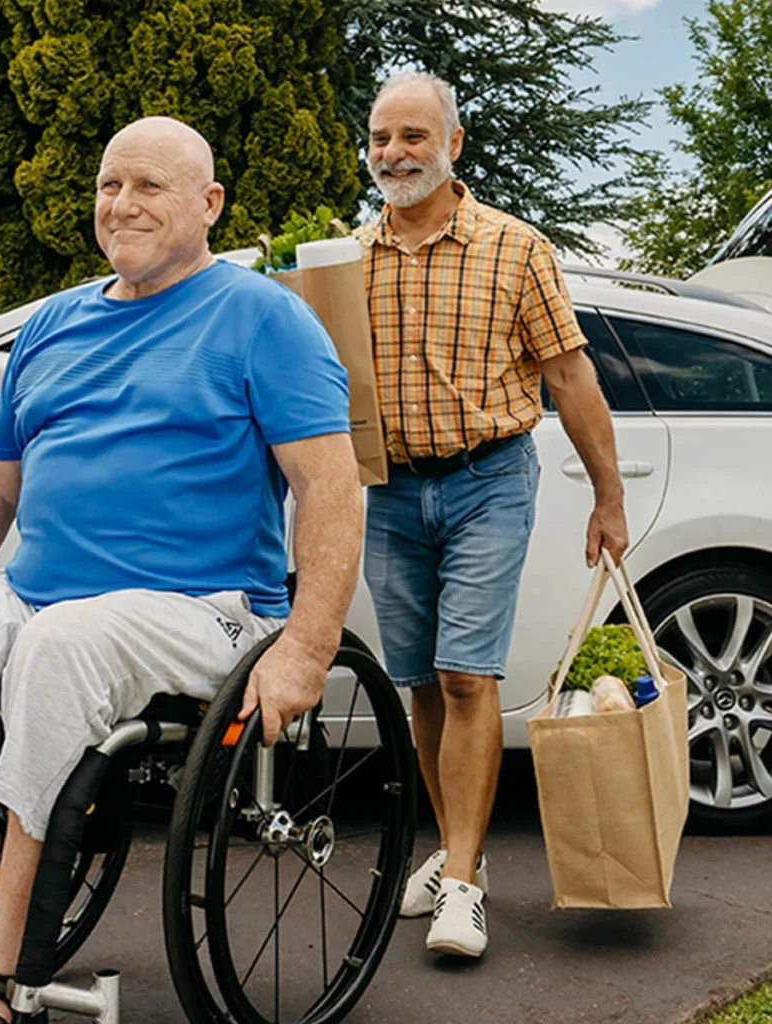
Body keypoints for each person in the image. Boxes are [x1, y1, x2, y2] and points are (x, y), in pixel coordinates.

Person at [0, 116, 363, 1024]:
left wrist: (306, 646)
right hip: (39, 600)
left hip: (204, 610)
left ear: (210, 205)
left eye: (150, 186)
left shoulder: (266, 319)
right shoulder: (55, 323)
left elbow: (331, 488)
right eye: (111, 185)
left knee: (67, 640)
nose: (123, 204)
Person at [357, 72, 629, 958]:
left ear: (453, 143)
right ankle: (450, 848)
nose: (393, 153)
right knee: (422, 683)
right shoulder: (347, 259)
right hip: (390, 490)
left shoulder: (516, 250)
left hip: (489, 481)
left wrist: (609, 495)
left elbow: (571, 376)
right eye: (380, 137)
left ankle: (465, 884)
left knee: (468, 674)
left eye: (411, 135)